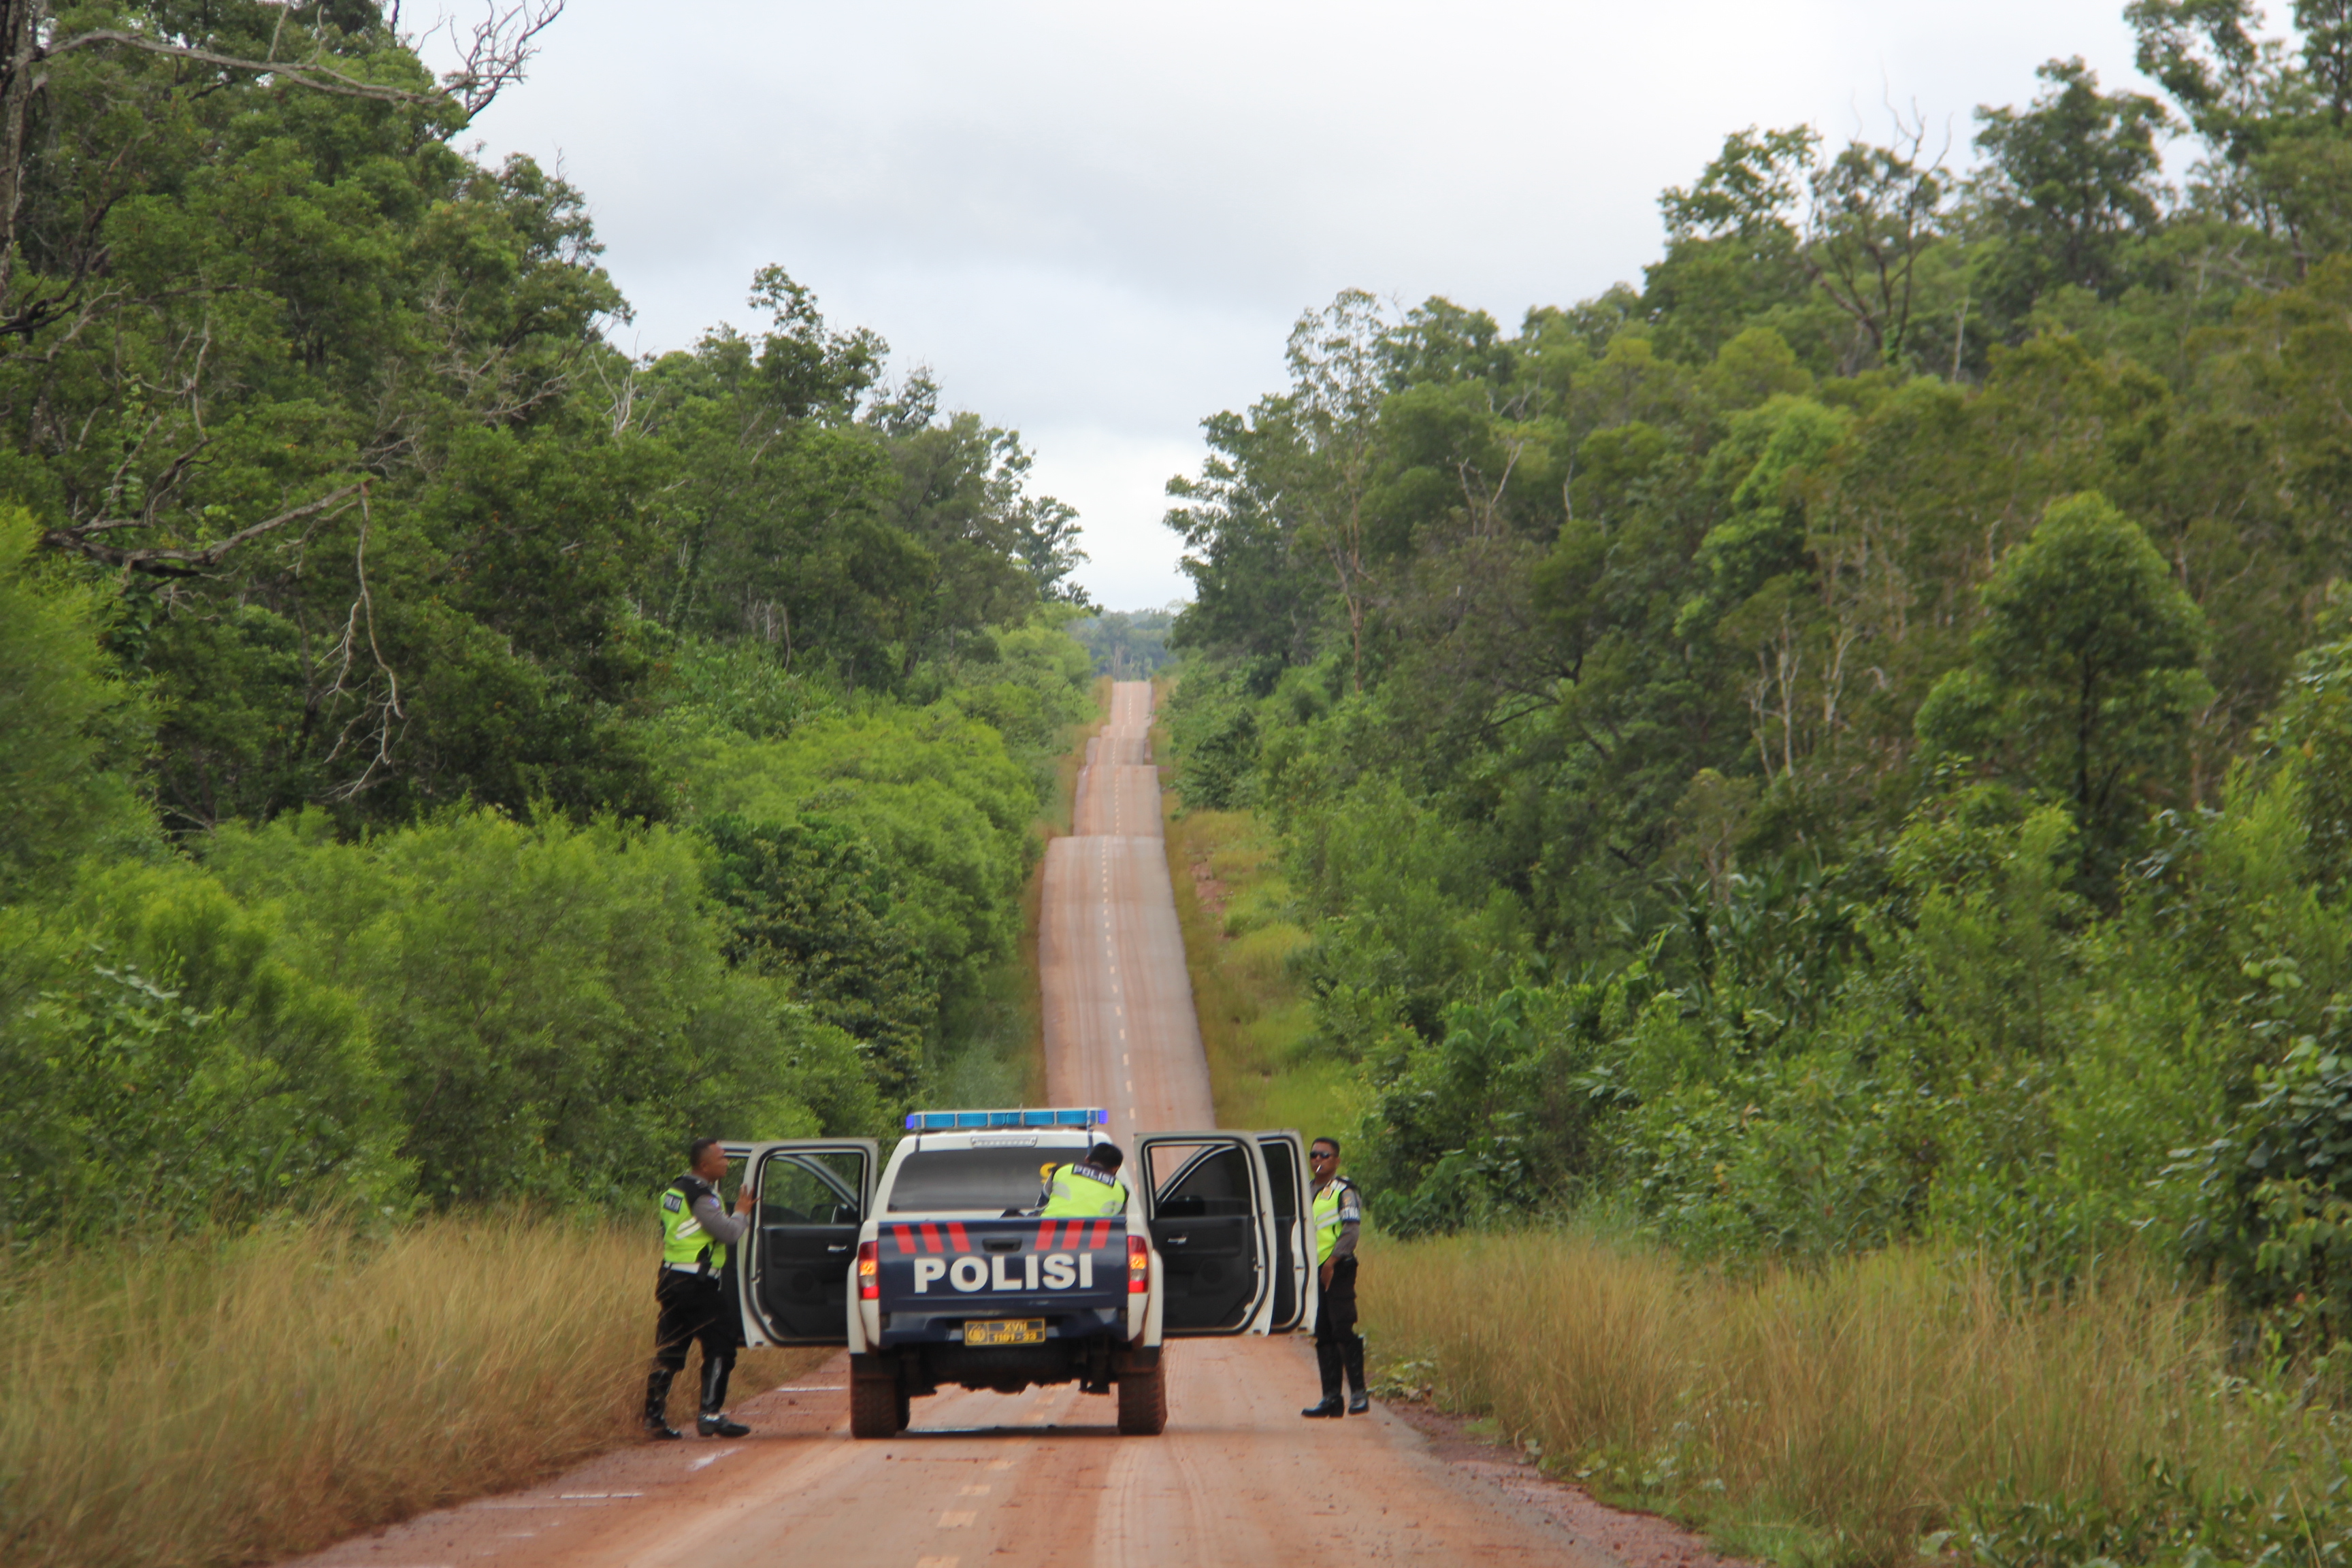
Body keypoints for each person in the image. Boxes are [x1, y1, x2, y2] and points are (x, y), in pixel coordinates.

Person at [644, 1137, 756, 1440]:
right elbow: (730, 1233)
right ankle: (710, 1415)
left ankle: (653, 1418)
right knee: (721, 1344)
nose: (727, 1163)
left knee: (670, 1349)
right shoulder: (703, 1197)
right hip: (696, 1283)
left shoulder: (674, 1190)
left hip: (670, 1280)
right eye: (722, 1158)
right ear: (705, 1165)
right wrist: (742, 1210)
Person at [1301, 1135, 1368, 1418]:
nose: (1318, 1160)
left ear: (1337, 1161)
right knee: (1322, 1332)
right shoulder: (1304, 1191)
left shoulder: (1344, 1191)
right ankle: (1331, 1398)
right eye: (1314, 1155)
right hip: (1311, 1271)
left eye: (1325, 1156)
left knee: (1342, 1327)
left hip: (1337, 1270)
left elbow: (1351, 1231)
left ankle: (1358, 1394)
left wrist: (1332, 1262)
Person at [1036, 1141, 1129, 1217]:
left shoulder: (1062, 1171)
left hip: (1049, 1230)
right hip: (1093, 1236)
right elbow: (1119, 1223)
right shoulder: (1120, 1190)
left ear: (1087, 1159)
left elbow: (1041, 1206)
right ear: (1116, 1168)